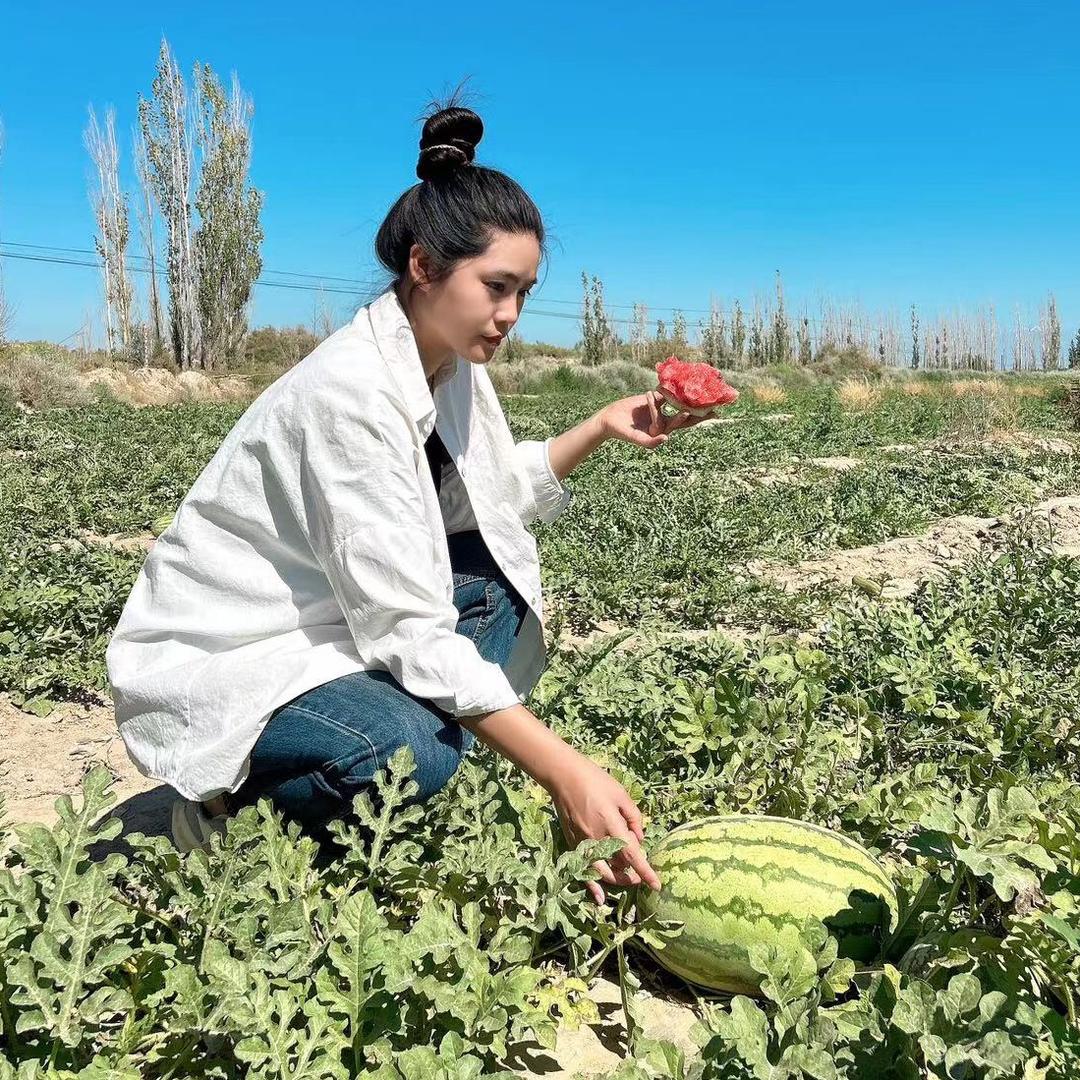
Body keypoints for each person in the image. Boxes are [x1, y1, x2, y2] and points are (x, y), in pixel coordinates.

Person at [105, 93, 716, 906]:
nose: (510, 317)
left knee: (496, 591)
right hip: (234, 650)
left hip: (333, 625)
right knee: (411, 752)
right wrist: (565, 771)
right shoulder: (349, 393)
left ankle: (392, 732)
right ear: (424, 266)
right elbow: (406, 626)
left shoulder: (453, 364)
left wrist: (602, 425)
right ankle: (222, 813)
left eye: (526, 292)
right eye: (497, 286)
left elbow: (493, 496)